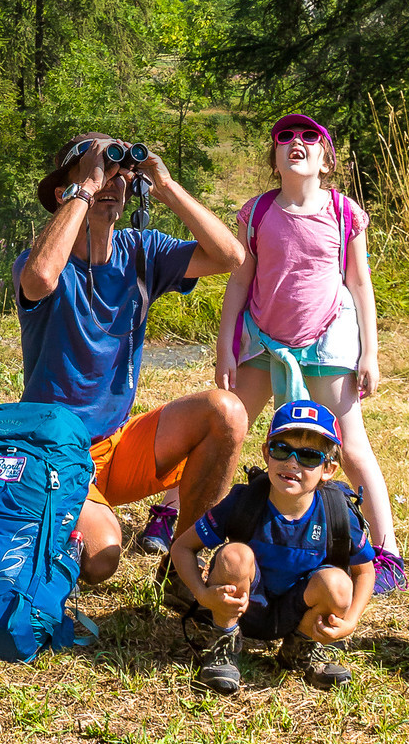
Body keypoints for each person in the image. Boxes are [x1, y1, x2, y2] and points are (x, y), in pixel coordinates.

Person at [15, 133, 247, 585]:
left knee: (227, 412)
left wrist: (164, 183)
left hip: (117, 444)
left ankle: (181, 567)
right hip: (53, 448)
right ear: (66, 192)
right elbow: (41, 279)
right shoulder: (39, 257)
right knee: (102, 559)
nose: (110, 183)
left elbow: (231, 256)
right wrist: (86, 186)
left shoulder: (142, 251)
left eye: (118, 174)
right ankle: (44, 515)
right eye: (98, 172)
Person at [215, 112, 405, 591]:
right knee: (226, 428)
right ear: (275, 159)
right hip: (262, 336)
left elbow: (360, 284)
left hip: (328, 337)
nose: (295, 142)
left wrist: (370, 353)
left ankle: (386, 550)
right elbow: (240, 279)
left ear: (325, 160)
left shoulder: (343, 212)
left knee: (352, 442)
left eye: (308, 137)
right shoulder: (257, 212)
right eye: (285, 137)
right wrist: (225, 346)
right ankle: (177, 514)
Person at [167, 399, 376, 694]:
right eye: (281, 449)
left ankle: (300, 649)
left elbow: (365, 572)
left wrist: (351, 621)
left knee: (339, 585)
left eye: (308, 456)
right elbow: (182, 548)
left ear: (328, 468)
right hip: (242, 608)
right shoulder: (244, 501)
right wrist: (202, 595)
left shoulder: (336, 513)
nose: (292, 463)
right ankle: (224, 642)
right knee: (234, 556)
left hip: (297, 611)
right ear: (266, 453)